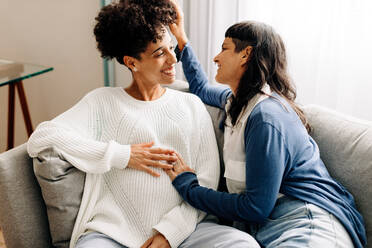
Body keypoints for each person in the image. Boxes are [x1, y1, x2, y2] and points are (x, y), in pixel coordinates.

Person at [27, 1, 261, 248]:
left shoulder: (191, 106)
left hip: (188, 233)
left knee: (243, 244)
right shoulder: (101, 102)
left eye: (171, 48)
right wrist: (122, 155)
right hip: (111, 235)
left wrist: (170, 233)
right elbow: (42, 138)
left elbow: (206, 180)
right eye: (160, 53)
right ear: (131, 62)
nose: (173, 59)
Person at [164, 0, 367, 247]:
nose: (216, 57)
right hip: (271, 228)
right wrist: (181, 38)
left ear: (246, 54)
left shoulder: (266, 118)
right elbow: (200, 88)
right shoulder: (236, 100)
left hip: (307, 222)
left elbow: (255, 207)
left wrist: (189, 186)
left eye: (224, 48)